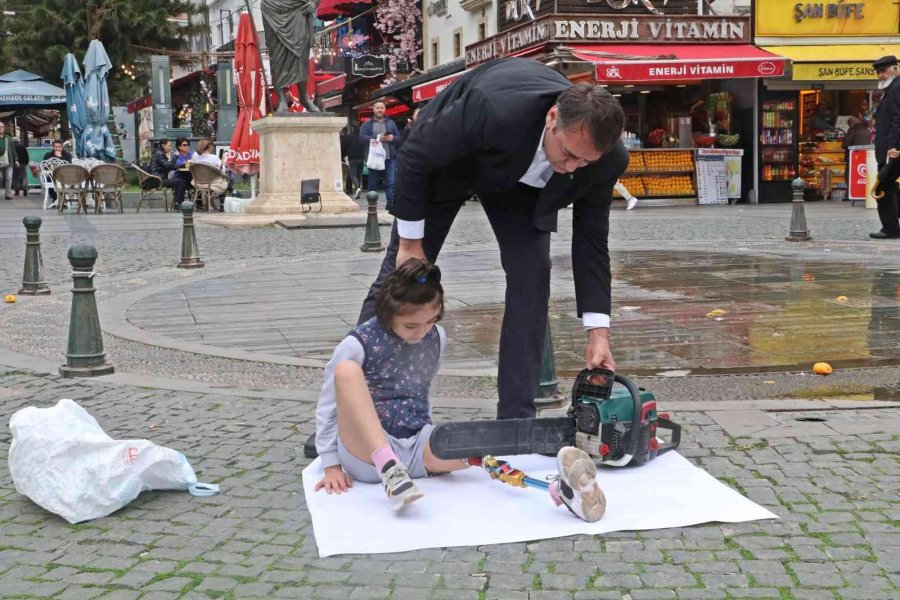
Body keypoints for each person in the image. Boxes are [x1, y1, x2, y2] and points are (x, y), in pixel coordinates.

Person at [359, 58, 627, 420]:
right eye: (569, 154)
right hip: (451, 163)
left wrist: (598, 333)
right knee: (401, 276)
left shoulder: (605, 161)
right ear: (552, 119)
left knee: (533, 277)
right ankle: (351, 406)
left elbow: (592, 241)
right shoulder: (494, 106)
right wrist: (410, 245)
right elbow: (415, 156)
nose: (573, 168)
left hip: (521, 190)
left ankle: (516, 420)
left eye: (585, 162)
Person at [314, 258, 606, 521]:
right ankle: (390, 469)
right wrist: (331, 466)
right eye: (411, 326)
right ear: (388, 314)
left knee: (475, 450)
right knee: (346, 371)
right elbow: (330, 407)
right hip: (366, 452)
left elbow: (421, 392)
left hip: (417, 446)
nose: (422, 332)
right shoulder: (358, 343)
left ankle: (556, 489)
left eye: (431, 321)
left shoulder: (436, 338)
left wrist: (429, 440)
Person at [260, 0, 319, 113]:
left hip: (298, 7)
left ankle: (303, 96)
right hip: (272, 6)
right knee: (277, 56)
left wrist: (315, 3)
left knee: (300, 56)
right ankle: (282, 99)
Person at [870, 55, 900, 239]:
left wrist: (893, 146)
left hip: (893, 150)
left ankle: (890, 229)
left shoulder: (897, 88)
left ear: (895, 69)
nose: (880, 75)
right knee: (889, 186)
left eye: (883, 71)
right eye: (878, 72)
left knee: (883, 186)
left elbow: (898, 119)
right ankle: (892, 226)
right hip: (891, 148)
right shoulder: (891, 89)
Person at [360, 100, 400, 210]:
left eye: (382, 108)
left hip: (389, 157)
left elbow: (398, 138)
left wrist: (392, 138)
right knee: (373, 184)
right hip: (374, 158)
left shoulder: (391, 123)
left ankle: (390, 205)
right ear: (373, 109)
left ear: (385, 110)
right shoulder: (367, 124)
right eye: (377, 108)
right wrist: (376, 138)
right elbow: (362, 138)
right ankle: (372, 205)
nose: (379, 110)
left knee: (390, 183)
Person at [148, 139, 189, 210]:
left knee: (179, 181)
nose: (171, 148)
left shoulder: (159, 153)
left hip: (158, 178)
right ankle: (178, 204)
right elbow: (169, 166)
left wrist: (182, 165)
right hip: (157, 180)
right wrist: (175, 156)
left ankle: (177, 203)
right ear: (163, 145)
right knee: (181, 182)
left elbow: (170, 166)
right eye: (169, 146)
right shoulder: (159, 154)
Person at [192, 138, 229, 211]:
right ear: (210, 147)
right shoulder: (214, 158)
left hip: (198, 183)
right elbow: (222, 170)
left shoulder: (196, 157)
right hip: (212, 183)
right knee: (225, 179)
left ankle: (208, 203)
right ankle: (222, 204)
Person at [41, 140, 73, 206]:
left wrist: (60, 157)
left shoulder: (67, 155)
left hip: (64, 176)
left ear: (62, 147)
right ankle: (55, 198)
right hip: (51, 176)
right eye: (56, 147)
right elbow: (44, 166)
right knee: (49, 179)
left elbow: (69, 165)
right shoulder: (48, 155)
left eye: (59, 147)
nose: (57, 148)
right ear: (53, 147)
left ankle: (62, 198)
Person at [340, 126, 366, 199]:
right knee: (358, 175)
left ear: (352, 129)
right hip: (361, 158)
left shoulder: (348, 137)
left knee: (352, 175)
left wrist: (342, 157)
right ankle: (356, 190)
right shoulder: (362, 138)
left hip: (352, 158)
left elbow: (343, 147)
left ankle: (357, 188)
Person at [0, 122, 14, 200]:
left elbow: (13, 149)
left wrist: (16, 159)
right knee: (0, 177)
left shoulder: (8, 138)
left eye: (2, 126)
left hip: (9, 160)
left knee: (9, 177)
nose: (0, 128)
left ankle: (8, 194)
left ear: (4, 128)